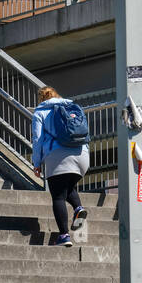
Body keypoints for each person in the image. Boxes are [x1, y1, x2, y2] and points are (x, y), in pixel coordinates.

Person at [32, 85, 91, 247]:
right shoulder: (73, 107)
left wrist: (36, 162)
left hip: (58, 156)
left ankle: (64, 236)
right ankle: (78, 208)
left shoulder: (40, 112)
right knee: (67, 186)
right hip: (82, 156)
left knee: (58, 195)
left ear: (41, 98)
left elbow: (37, 140)